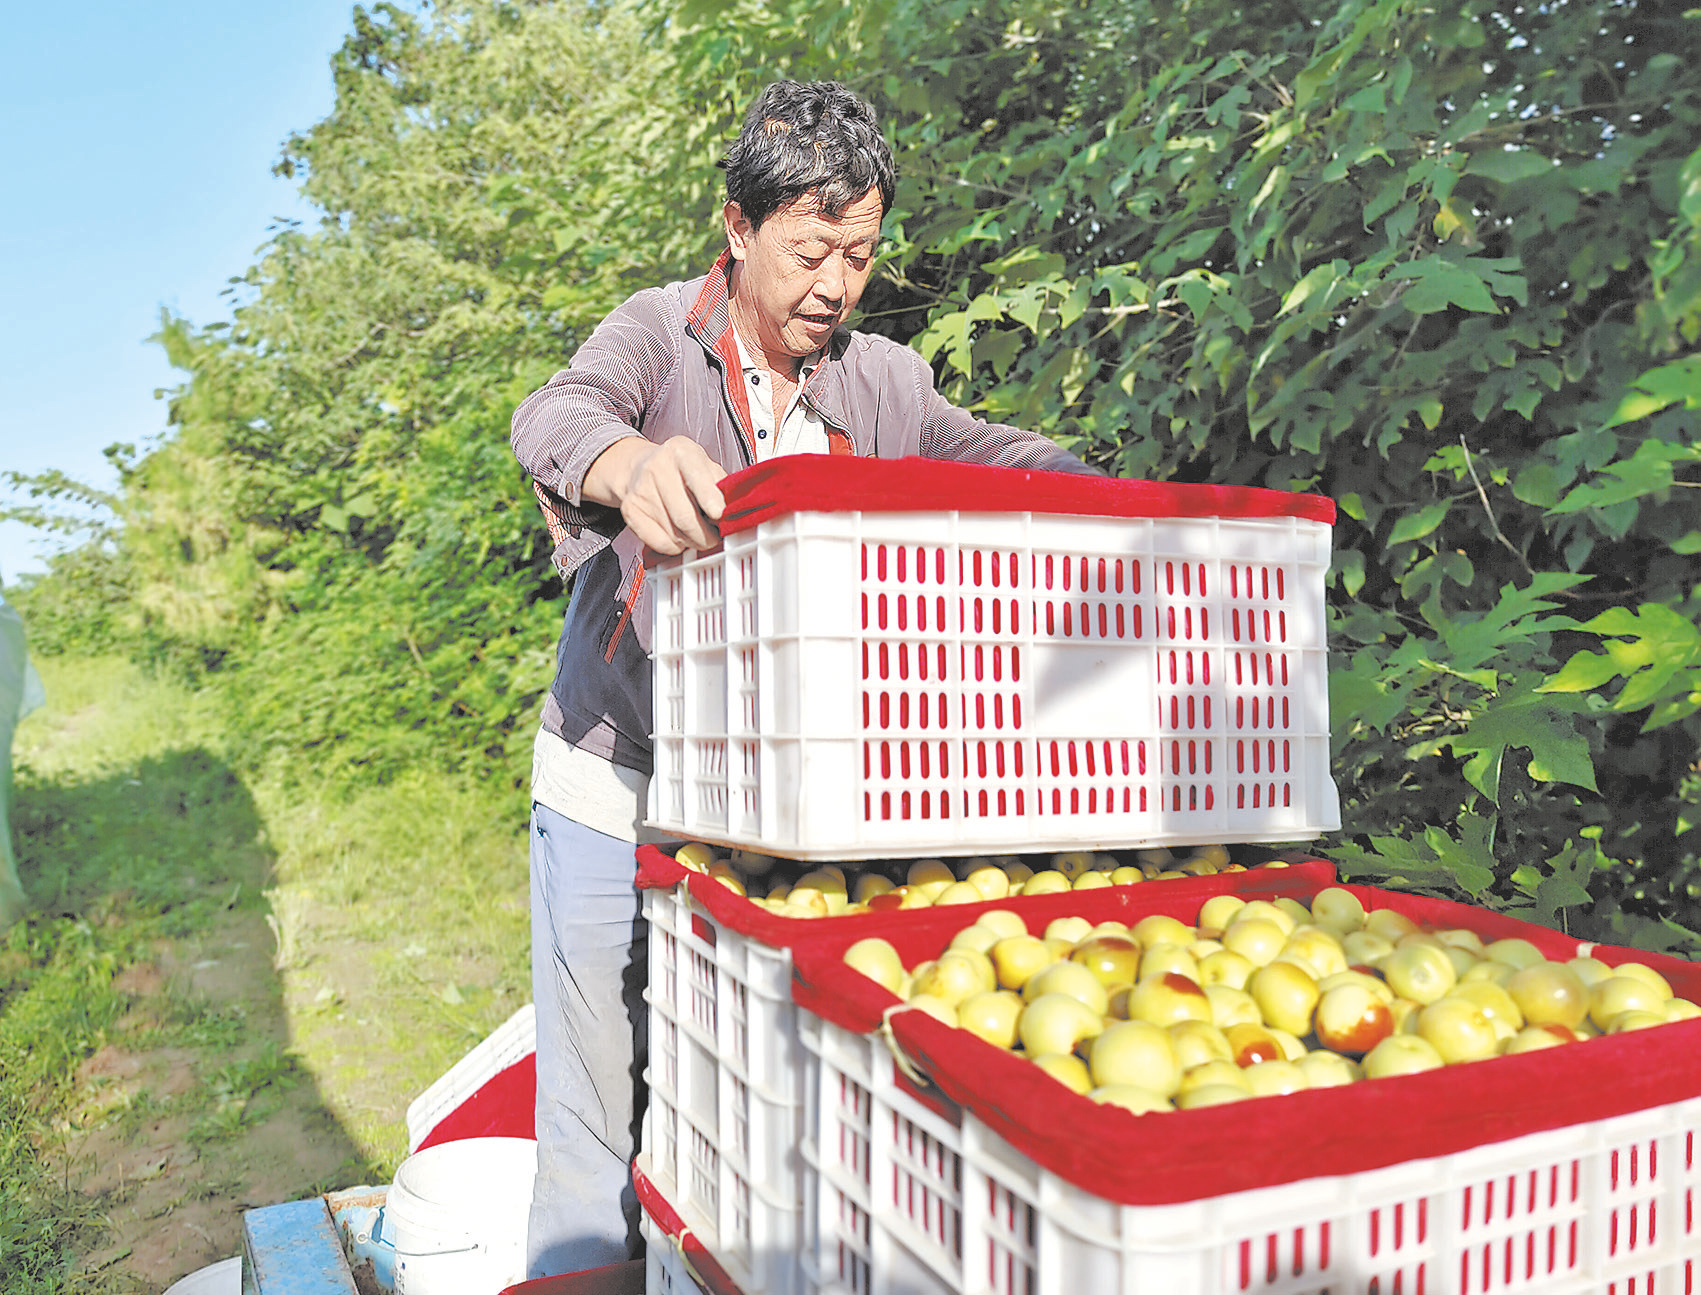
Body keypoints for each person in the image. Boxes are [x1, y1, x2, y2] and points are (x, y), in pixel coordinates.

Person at [509, 78, 1096, 1278]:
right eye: (812, 249)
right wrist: (626, 461)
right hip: (617, 782)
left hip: (775, 810)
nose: (835, 284)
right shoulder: (657, 335)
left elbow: (975, 447)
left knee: (733, 1109)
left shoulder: (879, 379)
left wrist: (1081, 485)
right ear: (739, 227)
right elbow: (554, 412)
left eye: (862, 254)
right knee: (593, 1117)